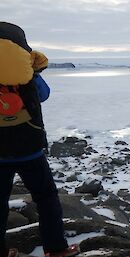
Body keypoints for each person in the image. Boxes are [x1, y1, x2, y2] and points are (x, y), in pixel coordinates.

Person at [0, 22, 80, 257]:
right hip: (30, 152)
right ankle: (56, 249)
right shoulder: (26, 77)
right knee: (46, 199)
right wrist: (33, 71)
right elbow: (44, 95)